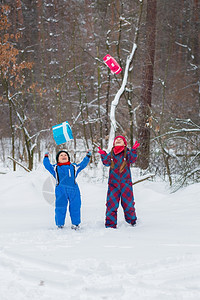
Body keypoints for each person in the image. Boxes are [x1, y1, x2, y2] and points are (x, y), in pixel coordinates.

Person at [98, 136, 140, 228]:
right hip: (113, 184)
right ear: (113, 144)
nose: (118, 140)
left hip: (126, 184)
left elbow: (132, 159)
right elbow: (106, 163)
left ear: (124, 144)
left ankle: (132, 221)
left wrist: (133, 150)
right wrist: (103, 154)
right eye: (116, 139)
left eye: (120, 140)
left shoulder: (127, 153)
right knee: (111, 204)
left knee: (128, 203)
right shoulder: (111, 154)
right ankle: (110, 224)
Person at [43, 149, 91, 229]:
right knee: (60, 207)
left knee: (75, 206)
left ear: (68, 158)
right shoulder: (55, 168)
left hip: (74, 190)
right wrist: (46, 156)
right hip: (60, 190)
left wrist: (88, 156)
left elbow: (82, 164)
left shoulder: (74, 166)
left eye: (65, 155)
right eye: (61, 155)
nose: (63, 156)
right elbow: (47, 165)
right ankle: (60, 224)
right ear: (58, 159)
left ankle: (75, 224)